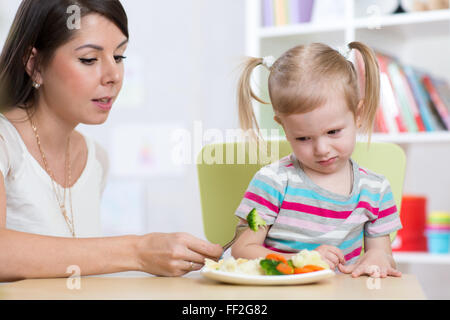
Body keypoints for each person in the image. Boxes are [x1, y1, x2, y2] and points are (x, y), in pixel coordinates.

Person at [0, 0, 222, 282]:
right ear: (35, 65)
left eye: (119, 57)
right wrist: (137, 251)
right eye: (89, 59)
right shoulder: (4, 142)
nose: (114, 76)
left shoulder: (95, 159)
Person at [231, 42, 403, 278]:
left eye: (333, 132)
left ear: (358, 115)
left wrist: (377, 258)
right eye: (303, 138)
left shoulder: (376, 189)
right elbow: (242, 250)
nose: (322, 149)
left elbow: (383, 256)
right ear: (284, 127)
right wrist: (301, 260)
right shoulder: (272, 181)